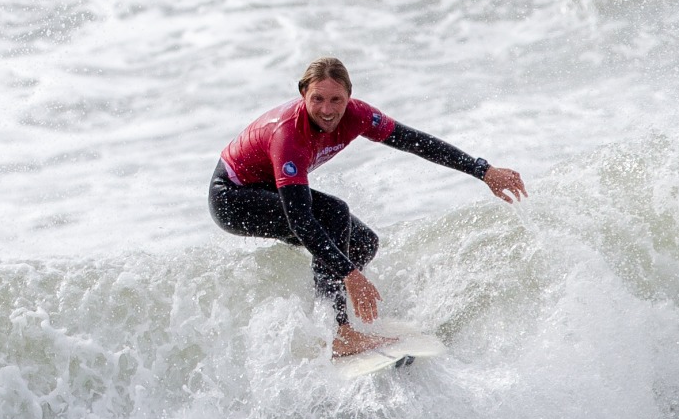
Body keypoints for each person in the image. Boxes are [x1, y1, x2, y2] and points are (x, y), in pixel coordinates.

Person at [210, 56, 526, 357]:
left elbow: (415, 141)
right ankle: (338, 331)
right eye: (317, 99)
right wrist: (348, 273)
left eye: (336, 100)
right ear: (303, 93)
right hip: (233, 196)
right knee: (332, 214)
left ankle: (326, 320)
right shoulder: (288, 135)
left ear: (349, 97)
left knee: (362, 243)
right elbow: (301, 220)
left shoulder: (358, 116)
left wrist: (482, 170)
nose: (327, 110)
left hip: (267, 188)